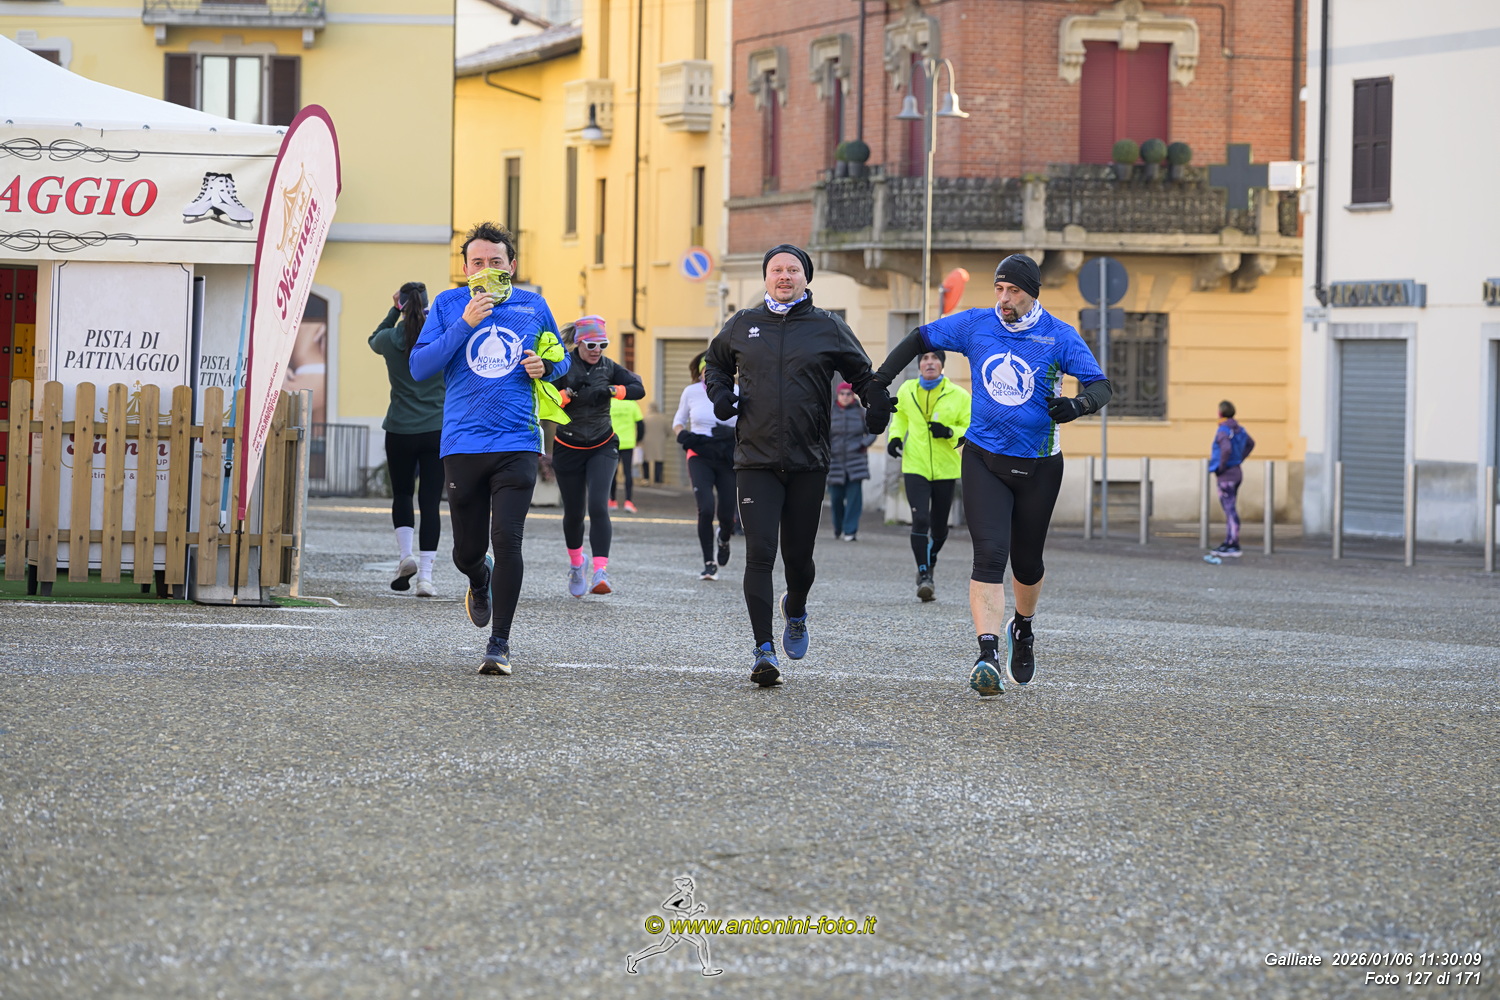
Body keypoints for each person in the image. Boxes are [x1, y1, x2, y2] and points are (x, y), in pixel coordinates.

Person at [872, 253, 1111, 697]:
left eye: (1013, 291)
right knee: (989, 555)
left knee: (1027, 563)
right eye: (999, 289)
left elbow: (1101, 385)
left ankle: (1023, 626)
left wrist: (1079, 405)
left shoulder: (1059, 336)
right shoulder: (976, 324)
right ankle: (987, 654)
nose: (1004, 298)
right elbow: (919, 336)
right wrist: (879, 380)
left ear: (1031, 293)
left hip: (1040, 466)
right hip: (984, 459)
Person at [703, 243, 890, 687]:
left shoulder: (828, 326)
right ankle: (763, 650)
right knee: (759, 554)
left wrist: (876, 404)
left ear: (806, 278)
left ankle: (797, 608)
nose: (784, 276)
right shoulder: (743, 323)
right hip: (755, 458)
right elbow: (715, 365)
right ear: (765, 278)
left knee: (799, 560)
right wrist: (720, 394)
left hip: (808, 461)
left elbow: (863, 376)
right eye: (776, 270)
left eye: (792, 270)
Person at [409, 221, 571, 676]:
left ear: (511, 265)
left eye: (495, 261)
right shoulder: (448, 304)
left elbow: (562, 359)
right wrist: (466, 323)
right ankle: (478, 579)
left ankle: (499, 644)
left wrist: (546, 367)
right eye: (477, 262)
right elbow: (420, 367)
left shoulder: (533, 305)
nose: (486, 268)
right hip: (463, 442)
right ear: (465, 268)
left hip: (518, 441)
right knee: (467, 552)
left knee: (509, 539)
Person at [551, 316, 644, 596]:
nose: (597, 350)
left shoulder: (609, 367)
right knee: (574, 512)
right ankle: (577, 564)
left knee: (598, 506)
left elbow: (638, 388)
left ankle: (601, 571)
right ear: (579, 343)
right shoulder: (563, 364)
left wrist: (612, 390)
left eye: (602, 344)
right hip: (568, 445)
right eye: (591, 345)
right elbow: (545, 400)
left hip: (602, 444)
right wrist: (568, 394)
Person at [368, 281, 444, 597]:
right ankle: (425, 578)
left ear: (400, 305)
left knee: (402, 495)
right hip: (436, 430)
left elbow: (373, 338)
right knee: (430, 503)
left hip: (399, 429)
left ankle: (405, 557)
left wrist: (393, 310)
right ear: (427, 306)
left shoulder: (390, 340)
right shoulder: (440, 338)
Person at [887, 348, 970, 602]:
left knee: (940, 526)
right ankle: (924, 575)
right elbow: (900, 417)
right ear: (919, 364)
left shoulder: (959, 395)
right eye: (925, 358)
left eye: (935, 358)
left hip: (946, 468)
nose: (930, 362)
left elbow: (969, 427)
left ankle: (930, 560)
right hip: (915, 465)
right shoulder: (907, 390)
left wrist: (949, 432)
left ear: (942, 365)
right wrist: (895, 437)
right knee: (920, 519)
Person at [673, 351, 737, 581]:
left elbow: (750, 425)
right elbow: (678, 422)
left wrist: (730, 432)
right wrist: (684, 436)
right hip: (700, 454)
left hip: (727, 456)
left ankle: (724, 538)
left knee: (727, 514)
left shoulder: (737, 392)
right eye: (705, 371)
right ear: (700, 372)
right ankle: (709, 563)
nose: (708, 375)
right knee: (706, 508)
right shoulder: (691, 392)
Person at [827, 382, 875, 541]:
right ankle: (838, 528)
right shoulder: (829, 413)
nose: (845, 397)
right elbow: (821, 434)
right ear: (838, 395)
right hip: (834, 462)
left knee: (854, 499)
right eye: (842, 393)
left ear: (853, 395)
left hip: (856, 461)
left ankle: (850, 530)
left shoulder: (861, 412)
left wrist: (863, 444)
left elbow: (873, 431)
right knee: (836, 498)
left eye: (848, 394)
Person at [1208, 399, 1254, 557]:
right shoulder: (1239, 429)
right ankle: (1229, 541)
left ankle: (1233, 543)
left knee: (1229, 509)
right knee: (1230, 508)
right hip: (1236, 471)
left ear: (1220, 413)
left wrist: (1221, 467)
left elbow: (1226, 449)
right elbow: (1251, 443)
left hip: (1226, 474)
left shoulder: (1223, 430)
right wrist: (1239, 459)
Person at [608, 394, 645, 513]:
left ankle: (612, 501)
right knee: (628, 472)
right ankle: (628, 502)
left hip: (612, 442)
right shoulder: (632, 404)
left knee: (612, 473)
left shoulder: (610, 403)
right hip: (628, 443)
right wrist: (638, 439)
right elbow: (640, 424)